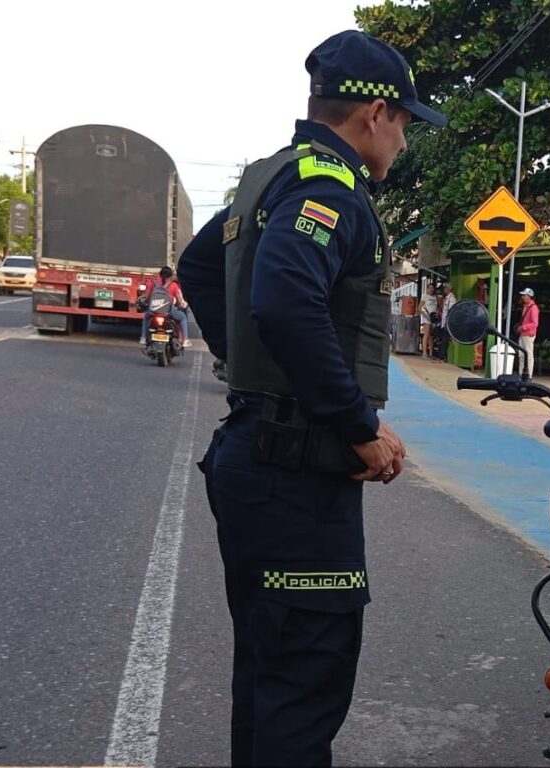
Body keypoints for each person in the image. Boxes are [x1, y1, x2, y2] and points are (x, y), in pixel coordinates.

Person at [177, 30, 445, 766]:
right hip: (294, 473)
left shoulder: (269, 177)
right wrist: (356, 426)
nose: (405, 141)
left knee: (270, 676)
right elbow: (288, 300)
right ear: (374, 114)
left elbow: (198, 266)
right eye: (405, 123)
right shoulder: (332, 188)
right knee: (303, 681)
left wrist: (255, 369)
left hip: (258, 456)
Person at [139, 266, 191, 347]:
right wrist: (182, 305)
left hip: (153, 312)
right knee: (183, 317)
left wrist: (144, 301)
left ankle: (143, 338)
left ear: (160, 275)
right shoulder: (173, 285)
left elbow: (146, 298)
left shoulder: (153, 284)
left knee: (146, 317)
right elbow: (180, 302)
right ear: (170, 276)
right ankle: (186, 340)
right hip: (169, 312)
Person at [516, 287, 539, 378]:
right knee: (521, 355)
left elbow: (535, 323)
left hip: (528, 334)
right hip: (523, 334)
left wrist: (523, 327)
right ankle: (521, 374)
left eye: (524, 295)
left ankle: (529, 375)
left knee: (529, 355)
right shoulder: (525, 306)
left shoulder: (534, 308)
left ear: (529, 296)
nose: (522, 297)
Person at [419, 281, 438, 358]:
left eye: (432, 288)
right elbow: (419, 308)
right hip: (426, 317)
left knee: (431, 335)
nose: (431, 289)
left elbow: (437, 307)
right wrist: (425, 315)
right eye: (429, 288)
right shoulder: (424, 296)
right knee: (426, 334)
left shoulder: (435, 297)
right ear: (427, 289)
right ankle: (424, 353)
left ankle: (430, 353)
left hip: (433, 317)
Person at [438, 282, 457, 361]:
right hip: (444, 322)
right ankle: (443, 356)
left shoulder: (451, 298)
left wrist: (447, 323)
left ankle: (442, 357)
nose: (444, 290)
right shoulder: (446, 298)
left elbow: (451, 311)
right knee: (443, 339)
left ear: (448, 289)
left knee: (445, 340)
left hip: (447, 322)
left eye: (445, 289)